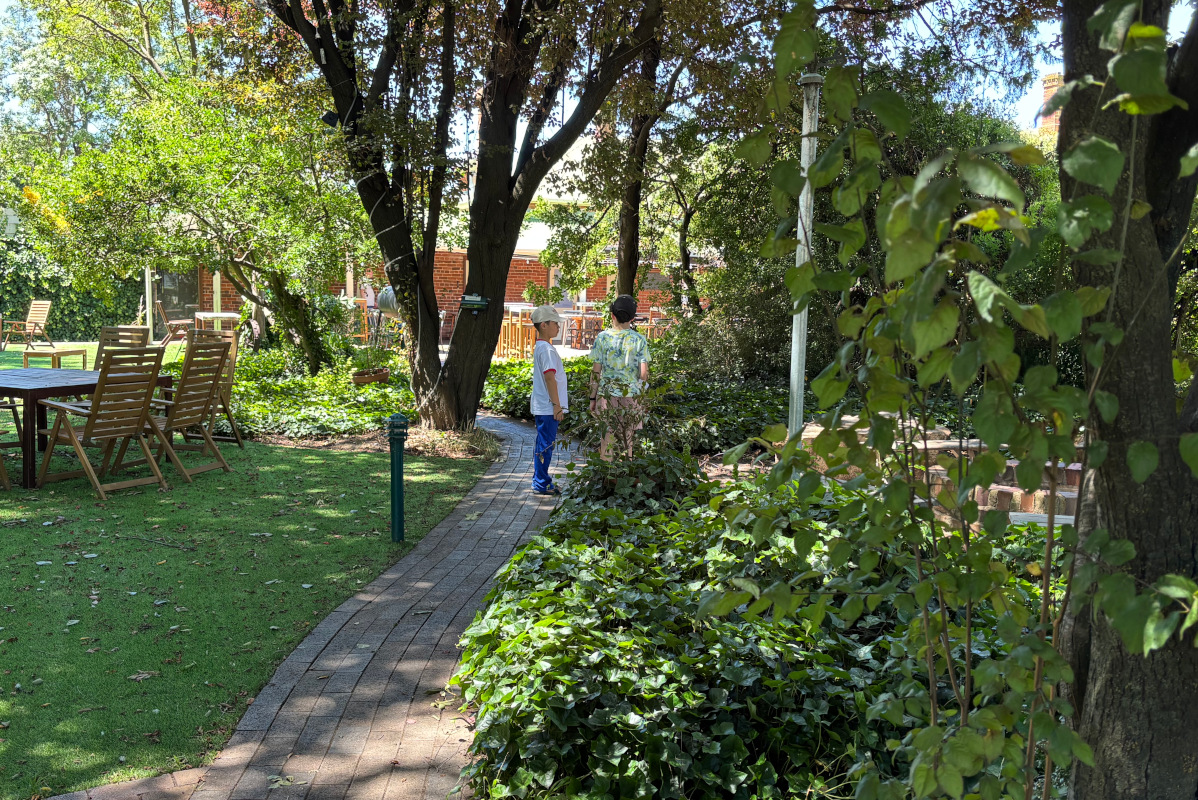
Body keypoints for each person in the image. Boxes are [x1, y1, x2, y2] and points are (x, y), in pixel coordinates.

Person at [588, 294, 650, 459]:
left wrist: (592, 398)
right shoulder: (640, 340)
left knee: (606, 439)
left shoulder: (602, 338)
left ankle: (605, 477)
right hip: (631, 395)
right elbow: (643, 374)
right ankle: (626, 474)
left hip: (606, 396)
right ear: (632, 317)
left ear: (612, 315)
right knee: (627, 439)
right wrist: (641, 398)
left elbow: (596, 372)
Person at [530, 305, 567, 495]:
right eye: (555, 324)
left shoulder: (542, 347)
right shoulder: (546, 350)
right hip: (548, 408)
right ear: (544, 325)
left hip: (544, 406)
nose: (558, 327)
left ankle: (540, 480)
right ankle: (541, 483)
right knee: (546, 446)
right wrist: (557, 406)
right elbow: (550, 378)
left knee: (543, 444)